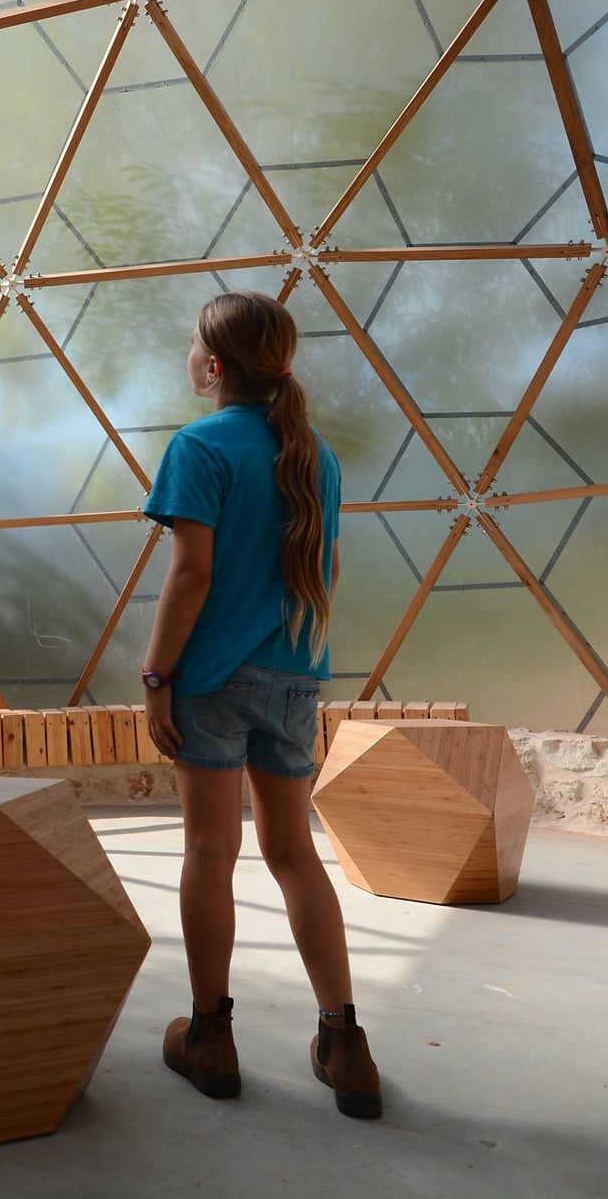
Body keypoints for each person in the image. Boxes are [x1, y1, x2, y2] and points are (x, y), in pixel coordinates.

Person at [139, 290, 380, 1119]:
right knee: (294, 853)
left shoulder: (199, 445)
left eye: (192, 347)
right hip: (294, 676)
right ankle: (346, 1044)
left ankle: (211, 1037)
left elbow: (192, 574)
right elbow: (328, 571)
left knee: (210, 851)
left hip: (211, 679)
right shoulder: (317, 456)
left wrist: (156, 675)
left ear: (212, 366)